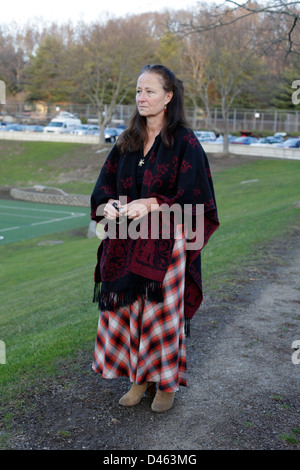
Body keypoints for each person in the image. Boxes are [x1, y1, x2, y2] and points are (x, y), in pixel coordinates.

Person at [90, 64, 219, 413]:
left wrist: (152, 203)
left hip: (167, 244)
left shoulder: (185, 142)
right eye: (138, 91)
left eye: (149, 91)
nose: (141, 98)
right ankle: (138, 377)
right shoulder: (127, 140)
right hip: (126, 241)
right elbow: (103, 188)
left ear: (168, 96)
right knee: (131, 312)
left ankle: (166, 383)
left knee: (161, 314)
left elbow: (197, 199)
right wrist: (110, 205)